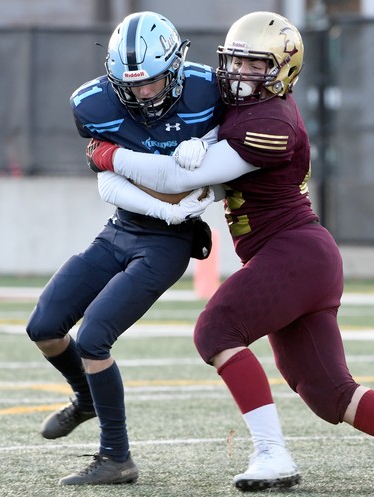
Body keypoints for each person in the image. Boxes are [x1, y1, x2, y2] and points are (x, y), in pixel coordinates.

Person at [87, 11, 374, 493]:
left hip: (294, 253)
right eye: (235, 61)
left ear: (283, 71)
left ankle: (272, 453)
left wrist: (108, 155)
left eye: (255, 65)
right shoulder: (242, 110)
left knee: (216, 330)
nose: (240, 74)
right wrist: (204, 140)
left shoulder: (271, 118)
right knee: (330, 395)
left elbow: (181, 179)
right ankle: (274, 453)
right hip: (294, 258)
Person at [25, 11, 224, 486]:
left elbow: (230, 163)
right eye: (133, 85)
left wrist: (208, 151)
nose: (144, 94)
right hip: (124, 226)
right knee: (44, 326)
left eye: (153, 82)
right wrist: (168, 201)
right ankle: (87, 397)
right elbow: (111, 182)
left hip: (171, 243)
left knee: (94, 337)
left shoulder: (208, 89)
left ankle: (117, 458)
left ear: (176, 65)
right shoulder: (94, 104)